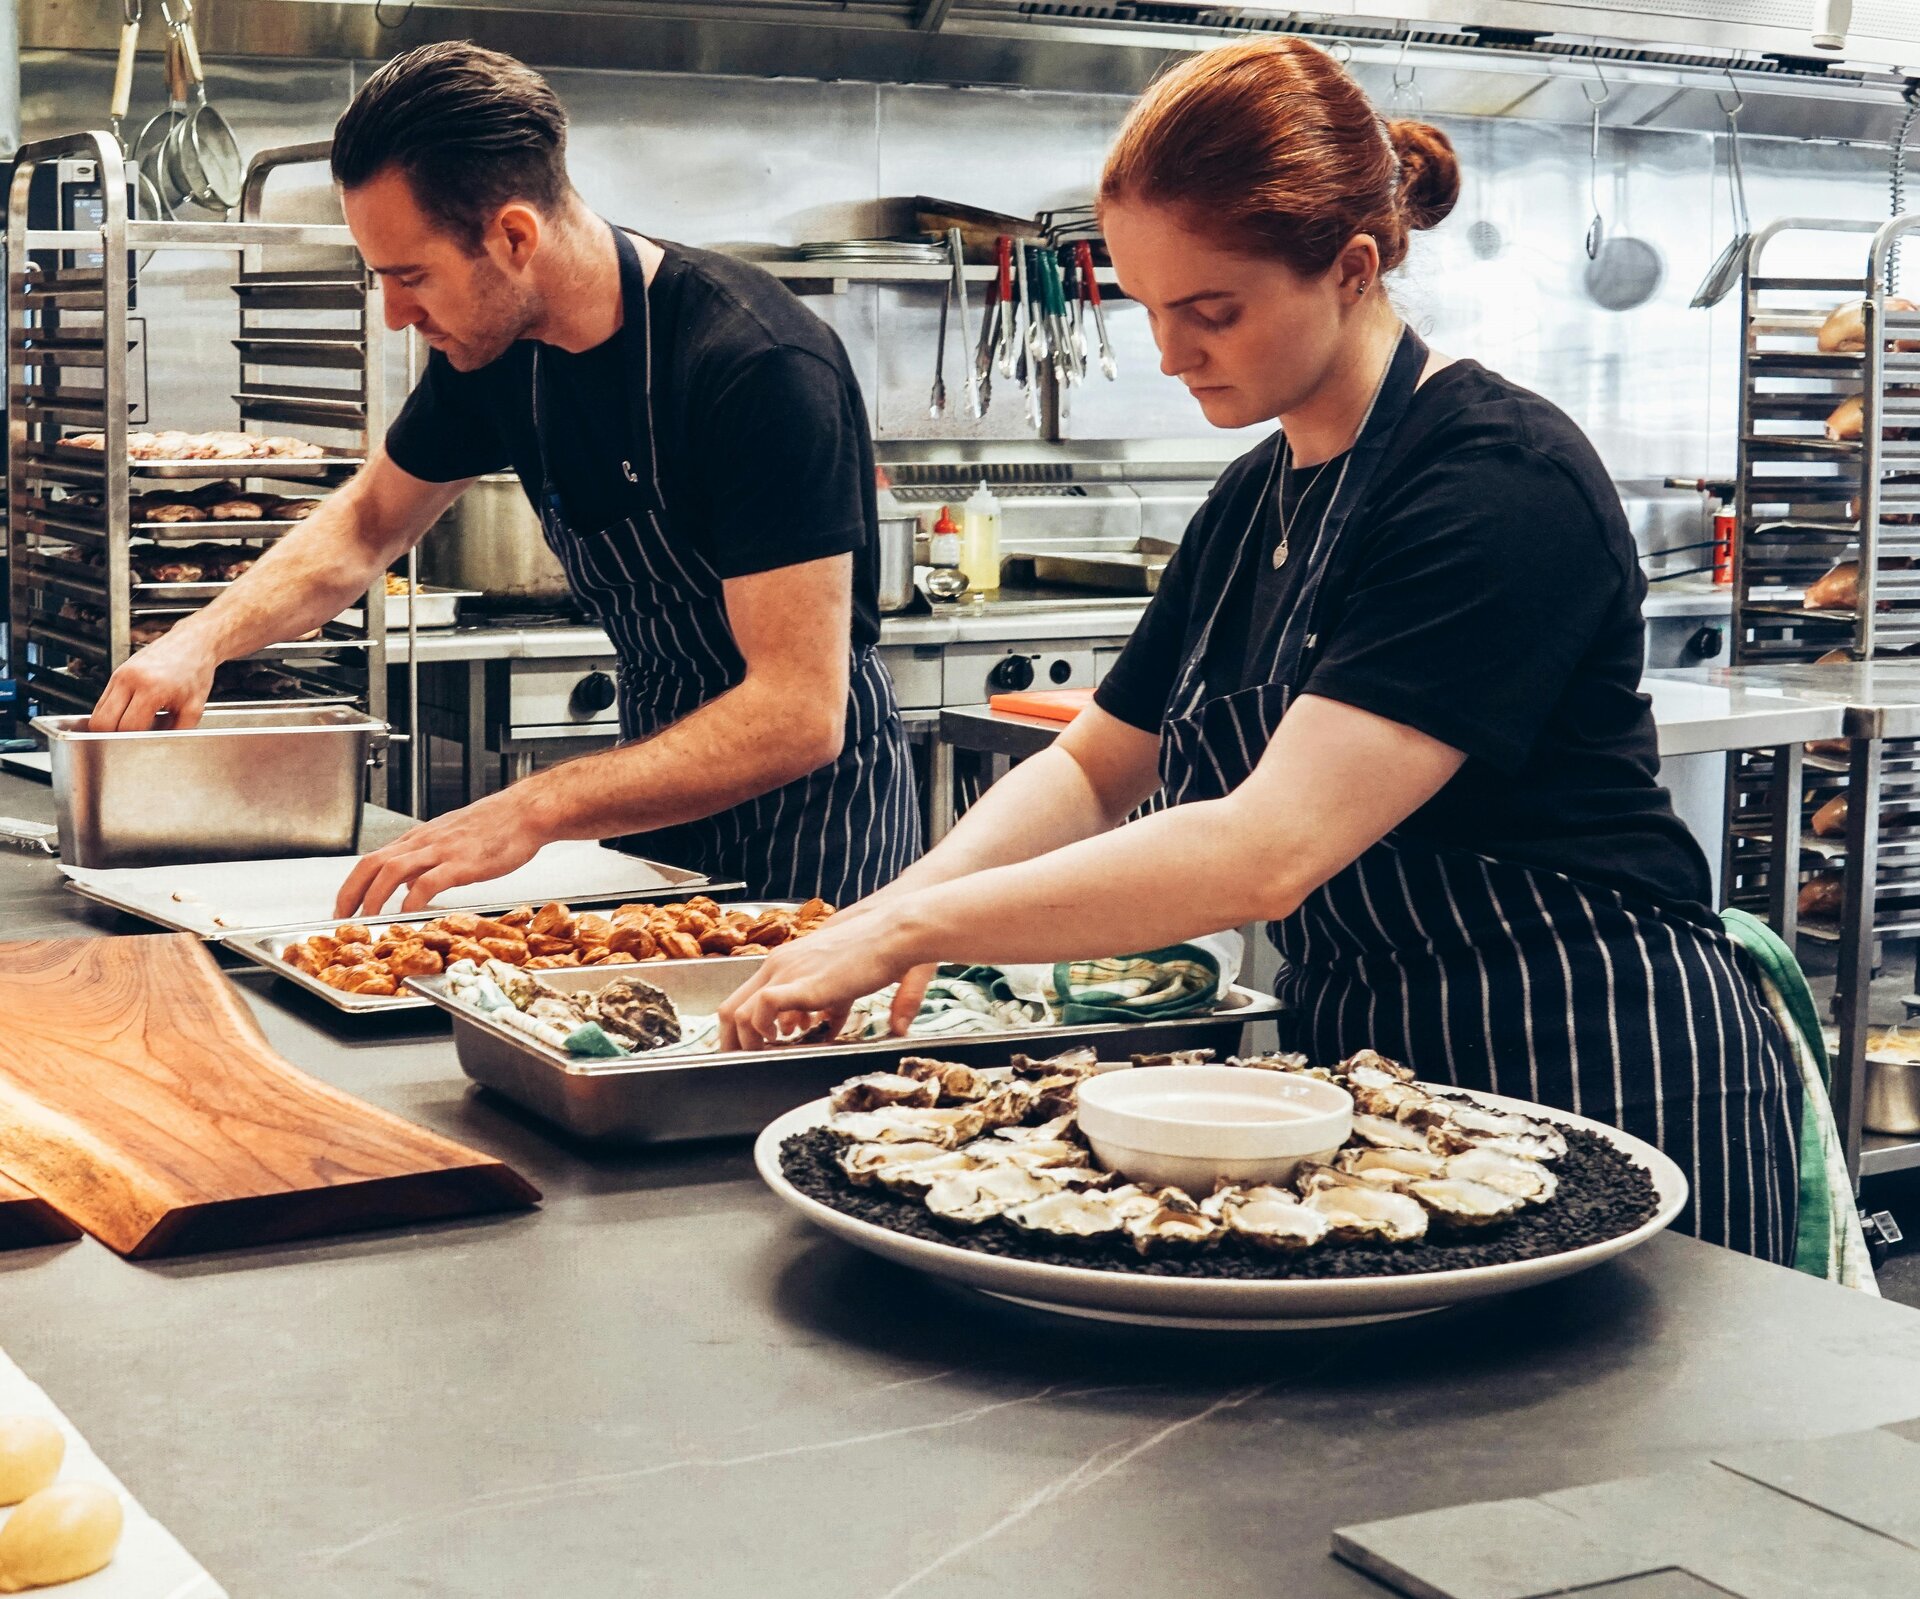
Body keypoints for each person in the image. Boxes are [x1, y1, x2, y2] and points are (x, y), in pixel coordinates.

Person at [720, 38, 1801, 1262]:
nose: (1173, 354)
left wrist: (919, 933)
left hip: (1597, 1053)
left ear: (1349, 270)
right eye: (1149, 310)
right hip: (1374, 1085)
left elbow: (1267, 851)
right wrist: (892, 909)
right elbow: (1091, 770)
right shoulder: (1252, 500)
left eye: (1211, 311)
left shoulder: (1496, 481)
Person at [88, 42, 920, 914]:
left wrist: (532, 807)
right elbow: (370, 522)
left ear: (514, 236)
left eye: (411, 277)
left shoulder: (754, 364)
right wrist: (198, 641)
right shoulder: (497, 354)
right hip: (652, 812)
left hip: (819, 842)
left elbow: (797, 711)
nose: (397, 314)